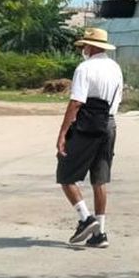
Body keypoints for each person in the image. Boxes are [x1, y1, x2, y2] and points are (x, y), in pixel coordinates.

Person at [55, 27, 123, 248]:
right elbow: (117, 100)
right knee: (99, 179)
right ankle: (100, 234)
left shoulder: (85, 68)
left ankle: (85, 218)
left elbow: (76, 102)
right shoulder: (115, 68)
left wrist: (63, 133)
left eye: (85, 45)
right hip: (109, 124)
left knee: (65, 174)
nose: (83, 48)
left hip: (87, 126)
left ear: (91, 47)